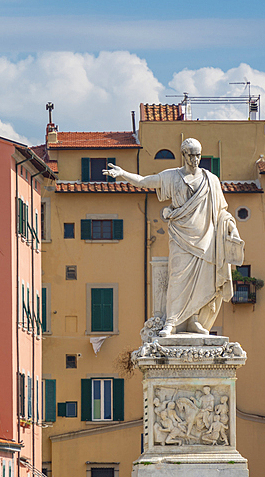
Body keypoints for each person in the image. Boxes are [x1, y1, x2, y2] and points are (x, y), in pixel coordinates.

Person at [104, 138, 244, 336]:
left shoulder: (211, 180)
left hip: (206, 239)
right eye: (191, 154)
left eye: (198, 155)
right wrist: (123, 174)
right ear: (183, 154)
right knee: (177, 276)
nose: (195, 159)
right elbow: (145, 182)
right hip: (181, 236)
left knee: (202, 282)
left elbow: (222, 211)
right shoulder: (172, 176)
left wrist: (231, 227)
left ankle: (193, 320)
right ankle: (171, 321)